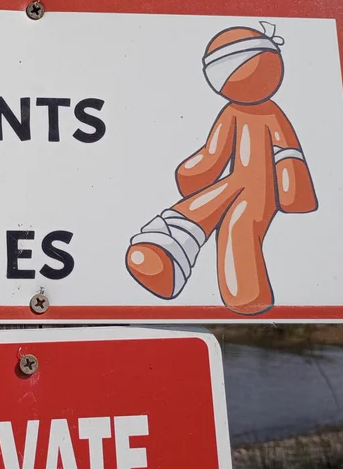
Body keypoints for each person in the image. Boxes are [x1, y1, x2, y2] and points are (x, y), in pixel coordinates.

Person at [125, 23, 318, 315]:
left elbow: (286, 152)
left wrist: (292, 188)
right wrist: (193, 171)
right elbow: (212, 154)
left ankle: (175, 244)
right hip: (235, 184)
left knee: (239, 229)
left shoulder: (272, 114)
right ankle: (175, 253)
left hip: (260, 193)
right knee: (232, 228)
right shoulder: (231, 113)